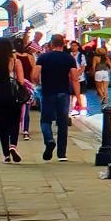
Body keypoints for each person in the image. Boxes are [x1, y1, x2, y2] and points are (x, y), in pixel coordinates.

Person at [34, 34, 81, 162]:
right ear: (63, 44)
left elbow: (35, 74)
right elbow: (74, 78)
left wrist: (38, 82)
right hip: (63, 93)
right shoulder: (69, 58)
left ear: (51, 44)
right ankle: (62, 154)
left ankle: (49, 139)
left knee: (45, 120)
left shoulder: (43, 57)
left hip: (48, 92)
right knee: (62, 122)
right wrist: (78, 97)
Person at [89, 42, 111, 110]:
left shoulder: (95, 58)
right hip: (105, 72)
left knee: (98, 87)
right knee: (105, 87)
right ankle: (106, 99)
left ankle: (103, 97)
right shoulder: (106, 58)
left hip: (98, 72)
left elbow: (93, 66)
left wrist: (93, 72)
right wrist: (109, 71)